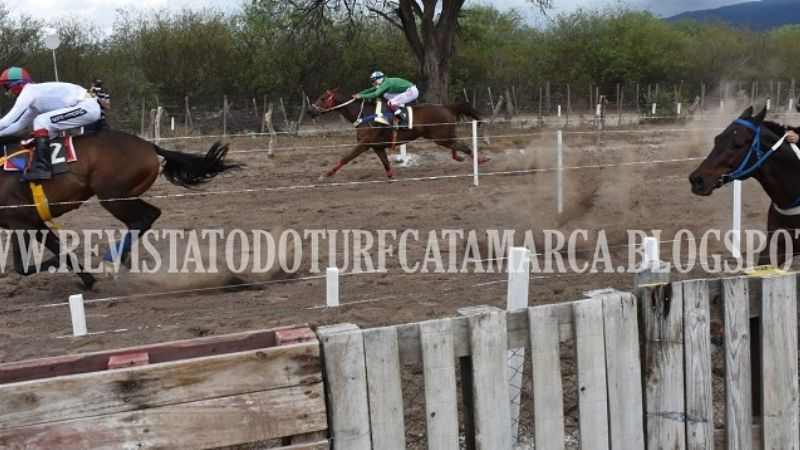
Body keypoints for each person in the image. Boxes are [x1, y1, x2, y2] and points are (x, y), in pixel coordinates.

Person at [0, 67, 101, 180]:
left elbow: (8, 120)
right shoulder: (34, 98)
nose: (6, 92)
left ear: (17, 85)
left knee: (41, 121)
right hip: (85, 104)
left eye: (6, 87)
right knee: (43, 126)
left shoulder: (28, 92)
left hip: (87, 107)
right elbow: (18, 125)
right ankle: (55, 165)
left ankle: (43, 168)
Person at [353, 71, 419, 125]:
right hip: (408, 90)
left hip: (412, 91)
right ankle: (398, 110)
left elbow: (375, 94)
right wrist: (359, 94)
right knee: (386, 95)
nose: (373, 83)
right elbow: (371, 90)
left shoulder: (386, 83)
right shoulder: (383, 82)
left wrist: (361, 96)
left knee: (391, 102)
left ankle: (403, 120)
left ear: (379, 79)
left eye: (373, 81)